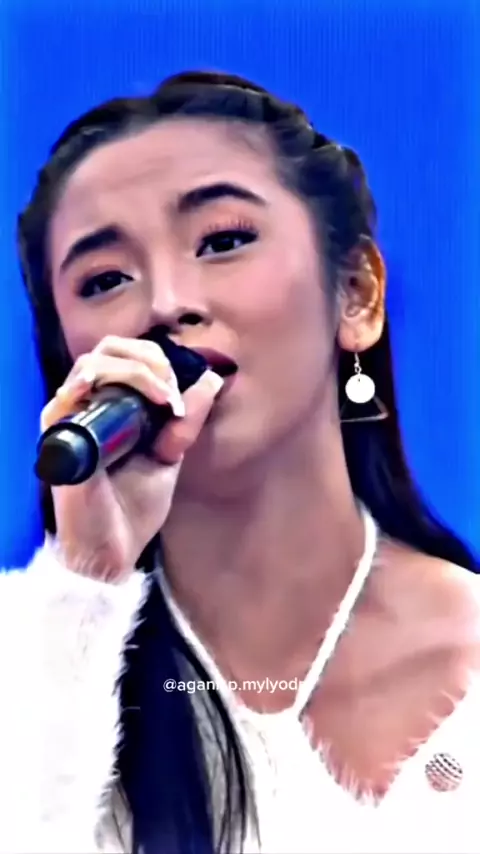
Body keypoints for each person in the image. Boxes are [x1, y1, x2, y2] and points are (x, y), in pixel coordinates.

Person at [1, 69, 479, 854]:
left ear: (356, 294)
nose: (165, 304)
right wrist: (86, 589)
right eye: (105, 279)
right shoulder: (26, 663)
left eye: (222, 241)